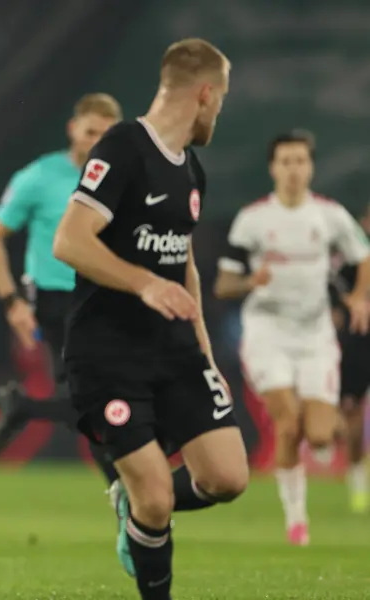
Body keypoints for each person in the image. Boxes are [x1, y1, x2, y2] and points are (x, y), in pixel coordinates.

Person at [52, 38, 248, 600]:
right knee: (158, 497)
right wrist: (144, 282)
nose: (219, 110)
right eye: (222, 98)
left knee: (227, 477)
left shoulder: (192, 170)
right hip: (107, 352)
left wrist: (206, 353)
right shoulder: (121, 148)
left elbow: (183, 269)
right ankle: (144, 521)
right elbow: (70, 240)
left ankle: (127, 502)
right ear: (205, 93)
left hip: (175, 350)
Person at [215, 132, 370, 542]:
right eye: (285, 161)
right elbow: (223, 285)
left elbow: (363, 253)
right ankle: (296, 521)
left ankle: (329, 424)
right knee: (287, 424)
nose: (293, 169)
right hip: (267, 332)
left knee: (319, 435)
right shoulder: (253, 220)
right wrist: (251, 280)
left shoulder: (330, 215)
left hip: (316, 335)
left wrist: (358, 296)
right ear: (273, 168)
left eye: (300, 161)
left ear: (311, 167)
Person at [0, 93, 123, 484]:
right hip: (54, 298)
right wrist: (12, 302)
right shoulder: (40, 176)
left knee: (93, 399)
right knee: (95, 397)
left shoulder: (124, 178)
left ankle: (24, 408)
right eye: (90, 131)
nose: (97, 141)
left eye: (107, 134)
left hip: (106, 297)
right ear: (72, 130)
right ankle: (122, 492)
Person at [331, 201, 370, 513]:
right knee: (351, 411)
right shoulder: (349, 258)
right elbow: (333, 290)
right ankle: (357, 481)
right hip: (358, 344)